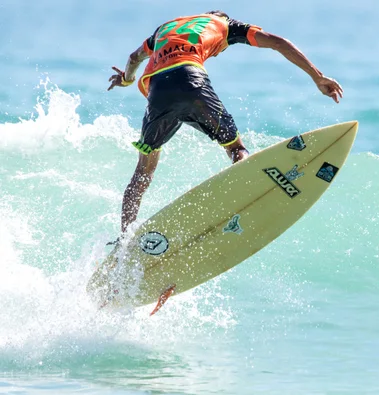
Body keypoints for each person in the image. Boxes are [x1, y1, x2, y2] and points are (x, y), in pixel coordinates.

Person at [107, 10, 344, 237]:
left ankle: (125, 236)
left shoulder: (164, 29)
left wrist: (127, 80)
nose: (220, 52)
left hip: (157, 92)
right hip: (192, 81)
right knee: (236, 148)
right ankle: (249, 193)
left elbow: (133, 58)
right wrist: (317, 76)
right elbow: (278, 42)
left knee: (143, 171)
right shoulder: (226, 24)